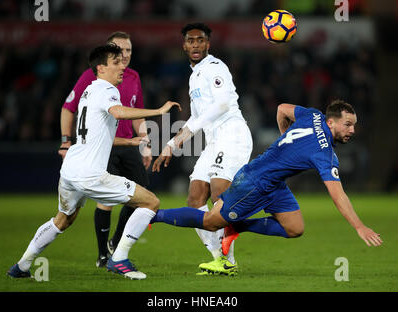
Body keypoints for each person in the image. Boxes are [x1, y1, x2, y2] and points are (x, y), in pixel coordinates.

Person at [7, 44, 181, 280]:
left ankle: (22, 266)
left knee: (63, 219)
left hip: (70, 170)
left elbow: (95, 136)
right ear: (101, 68)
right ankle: (118, 259)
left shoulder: (89, 92)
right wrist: (159, 111)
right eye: (116, 62)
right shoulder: (106, 90)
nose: (122, 66)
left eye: (122, 61)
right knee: (151, 202)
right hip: (90, 174)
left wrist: (129, 143)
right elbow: (119, 112)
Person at [150, 100, 383, 274]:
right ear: (330, 122)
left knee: (295, 228)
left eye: (353, 125)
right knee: (211, 222)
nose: (352, 130)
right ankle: (152, 215)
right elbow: (338, 195)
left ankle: (236, 227)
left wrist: (285, 137)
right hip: (253, 182)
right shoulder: (324, 154)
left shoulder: (313, 115)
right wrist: (359, 227)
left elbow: (282, 108)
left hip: (274, 183)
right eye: (348, 124)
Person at [152, 22, 253, 276]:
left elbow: (220, 106)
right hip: (214, 141)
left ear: (208, 44)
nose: (195, 44)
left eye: (200, 40)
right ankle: (220, 258)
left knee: (220, 192)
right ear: (184, 45)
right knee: (195, 197)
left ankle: (228, 258)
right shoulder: (193, 75)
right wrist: (171, 144)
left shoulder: (215, 67)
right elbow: (194, 119)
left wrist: (186, 134)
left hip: (232, 134)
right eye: (190, 40)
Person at [59, 32, 152, 268]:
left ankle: (115, 242)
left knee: (141, 197)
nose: (125, 55)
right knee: (106, 201)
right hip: (104, 147)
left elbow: (137, 112)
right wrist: (65, 140)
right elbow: (68, 107)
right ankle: (103, 255)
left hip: (128, 143)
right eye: (120, 50)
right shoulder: (93, 76)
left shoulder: (133, 77)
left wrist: (145, 142)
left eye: (129, 50)